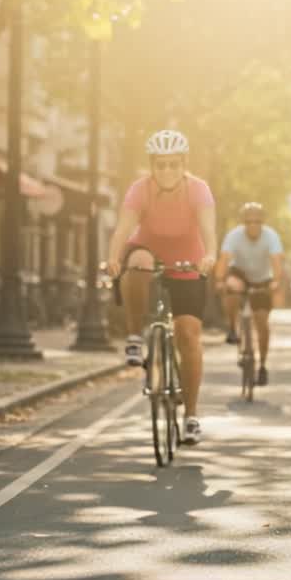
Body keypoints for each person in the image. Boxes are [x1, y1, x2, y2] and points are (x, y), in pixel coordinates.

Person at [106, 129, 217, 445]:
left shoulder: (198, 190)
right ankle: (134, 336)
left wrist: (209, 255)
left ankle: (191, 415)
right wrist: (114, 258)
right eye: (160, 165)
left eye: (173, 164)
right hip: (147, 250)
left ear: (184, 165)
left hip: (188, 259)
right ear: (152, 167)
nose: (167, 171)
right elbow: (123, 229)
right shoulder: (139, 190)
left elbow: (209, 230)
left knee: (188, 334)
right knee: (137, 262)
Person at [217, 202, 284, 385]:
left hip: (262, 279)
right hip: (240, 275)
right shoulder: (234, 236)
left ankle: (262, 365)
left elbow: (277, 263)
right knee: (231, 287)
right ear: (243, 223)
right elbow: (224, 260)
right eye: (249, 222)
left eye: (257, 222)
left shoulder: (271, 237)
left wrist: (276, 282)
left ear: (262, 222)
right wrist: (220, 280)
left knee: (262, 322)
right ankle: (232, 328)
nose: (253, 225)